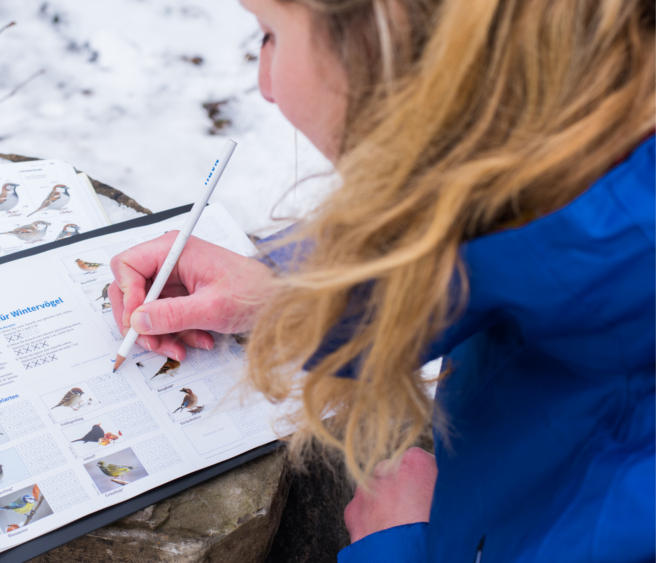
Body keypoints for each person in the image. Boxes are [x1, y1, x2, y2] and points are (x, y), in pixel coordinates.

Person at [109, 0, 655, 561]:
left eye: (270, 35)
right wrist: (281, 288)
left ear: (387, 43)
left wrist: (401, 549)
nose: (265, 85)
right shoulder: (558, 177)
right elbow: (474, 249)